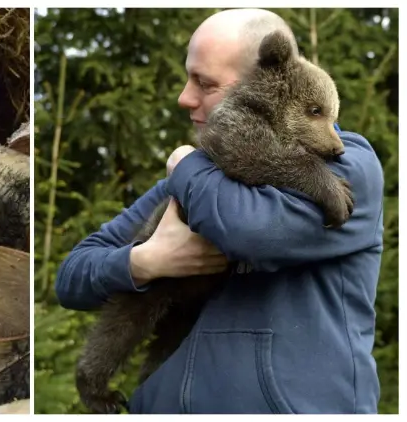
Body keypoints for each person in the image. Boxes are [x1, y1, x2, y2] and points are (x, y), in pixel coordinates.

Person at [55, 8, 384, 414]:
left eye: (204, 83)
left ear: (267, 82)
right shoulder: (193, 174)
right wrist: (146, 261)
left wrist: (183, 163)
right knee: (145, 318)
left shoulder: (351, 168)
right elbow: (71, 276)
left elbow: (247, 231)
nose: (183, 97)